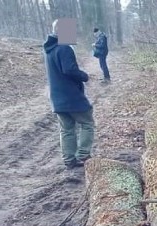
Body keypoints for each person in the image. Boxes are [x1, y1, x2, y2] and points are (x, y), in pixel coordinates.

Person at [43, 19, 93, 169]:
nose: (73, 34)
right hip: (71, 96)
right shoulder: (64, 48)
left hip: (57, 98)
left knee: (66, 129)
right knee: (87, 123)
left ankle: (69, 159)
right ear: (62, 31)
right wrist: (84, 76)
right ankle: (83, 155)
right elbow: (69, 70)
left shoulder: (49, 49)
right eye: (70, 30)